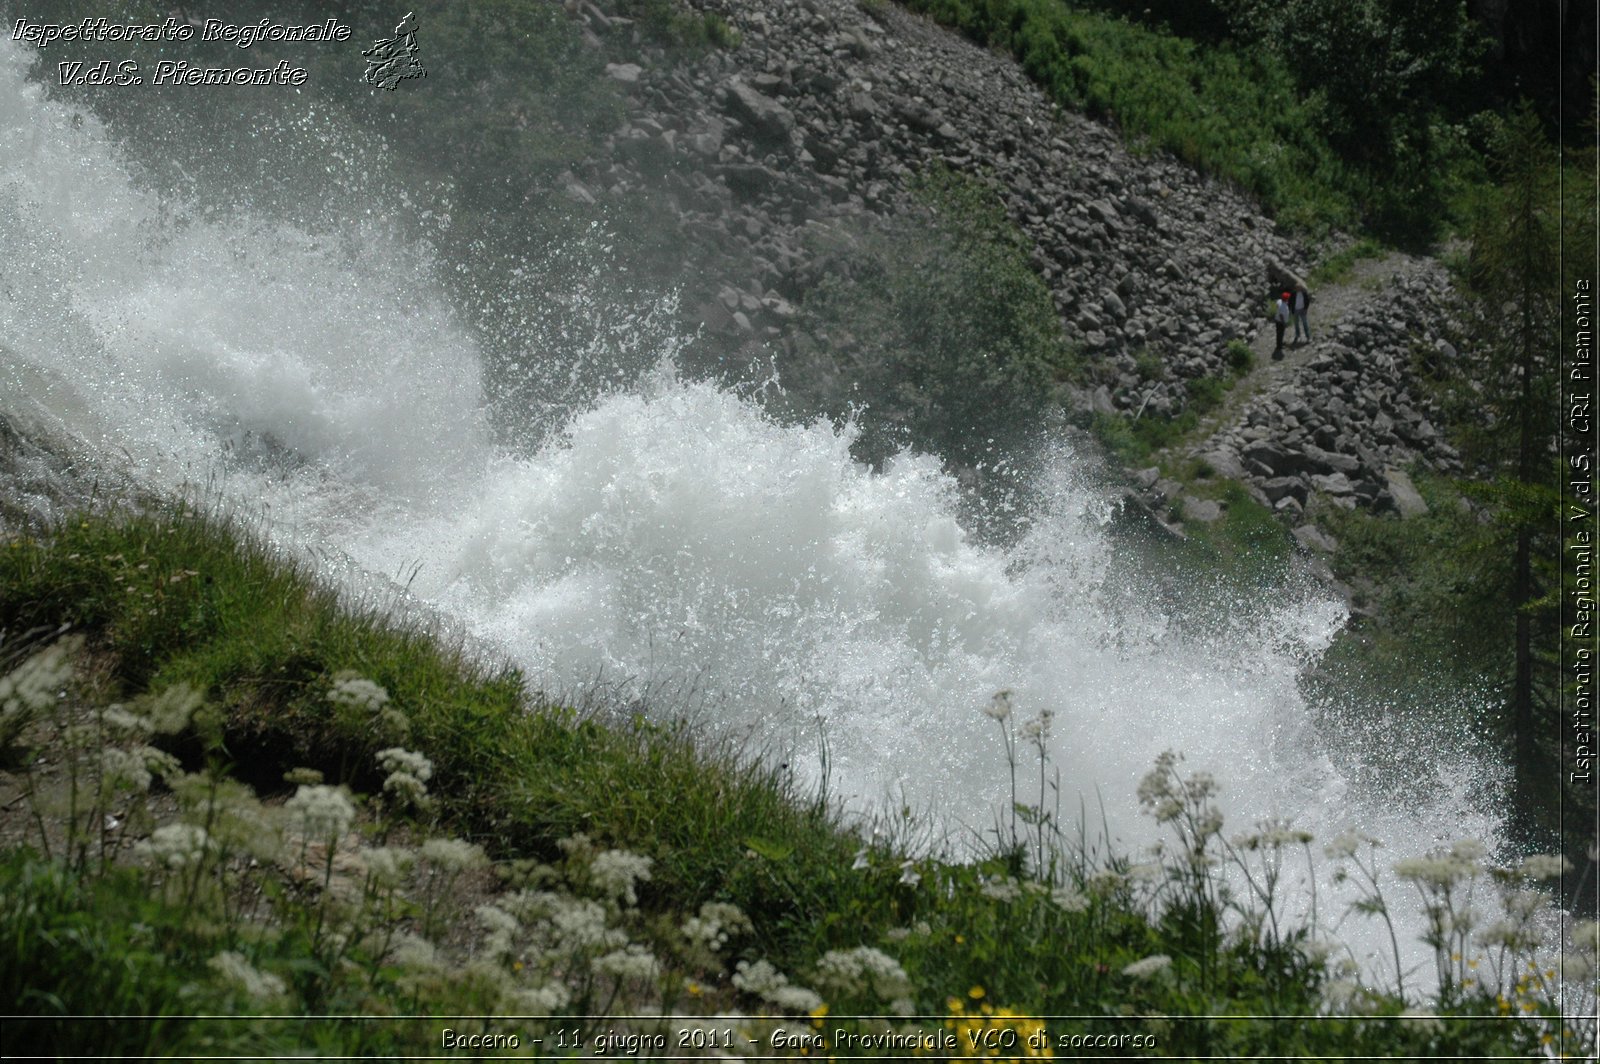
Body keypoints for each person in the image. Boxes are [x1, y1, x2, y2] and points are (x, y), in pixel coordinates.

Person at [1273, 291, 1290, 360]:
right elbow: (1281, 315)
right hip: (1280, 322)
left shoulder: (1279, 301)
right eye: (1287, 298)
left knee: (1279, 333)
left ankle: (1279, 344)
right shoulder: (1283, 306)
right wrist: (1284, 323)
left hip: (1277, 320)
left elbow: (1277, 305)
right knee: (1280, 334)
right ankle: (1279, 346)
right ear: (1286, 299)